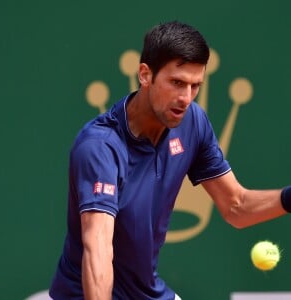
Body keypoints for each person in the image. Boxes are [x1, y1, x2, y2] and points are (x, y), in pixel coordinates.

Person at [49, 21, 291, 300]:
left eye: (195, 86)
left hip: (146, 291)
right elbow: (99, 248)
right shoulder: (100, 146)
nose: (186, 98)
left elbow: (236, 207)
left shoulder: (193, 123)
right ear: (144, 75)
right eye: (177, 83)